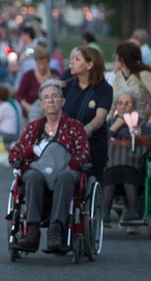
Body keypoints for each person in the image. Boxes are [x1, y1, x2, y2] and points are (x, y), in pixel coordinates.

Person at [9, 80, 91, 253]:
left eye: (55, 96)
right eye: (46, 98)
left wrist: (71, 166)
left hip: (66, 173)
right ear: (42, 104)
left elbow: (84, 154)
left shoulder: (75, 127)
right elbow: (14, 154)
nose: (51, 100)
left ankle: (56, 231)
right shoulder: (34, 128)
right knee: (31, 175)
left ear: (62, 101)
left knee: (65, 176)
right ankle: (32, 231)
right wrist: (31, 150)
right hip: (40, 175)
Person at [102, 88, 151, 226]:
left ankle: (132, 209)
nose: (123, 107)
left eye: (128, 103)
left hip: (133, 165)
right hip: (111, 165)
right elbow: (101, 141)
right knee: (111, 171)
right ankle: (105, 210)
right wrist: (114, 127)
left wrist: (138, 137)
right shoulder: (109, 122)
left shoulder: (141, 124)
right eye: (120, 103)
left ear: (134, 106)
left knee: (125, 170)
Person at [62, 46, 113, 183]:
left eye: (77, 59)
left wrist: (87, 129)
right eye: (72, 59)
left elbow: (100, 117)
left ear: (89, 64)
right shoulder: (66, 86)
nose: (71, 62)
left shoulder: (104, 89)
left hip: (92, 145)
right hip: (66, 144)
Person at [110, 41, 151, 137]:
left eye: (117, 57)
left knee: (134, 144)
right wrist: (109, 121)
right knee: (114, 143)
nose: (115, 60)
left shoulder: (143, 75)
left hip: (140, 125)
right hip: (120, 123)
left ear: (122, 59)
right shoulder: (118, 76)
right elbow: (114, 103)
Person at [15, 46, 60, 122]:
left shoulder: (55, 74)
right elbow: (19, 95)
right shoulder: (28, 75)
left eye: (44, 63)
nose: (42, 66)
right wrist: (28, 107)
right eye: (39, 63)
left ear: (49, 62)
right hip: (30, 116)